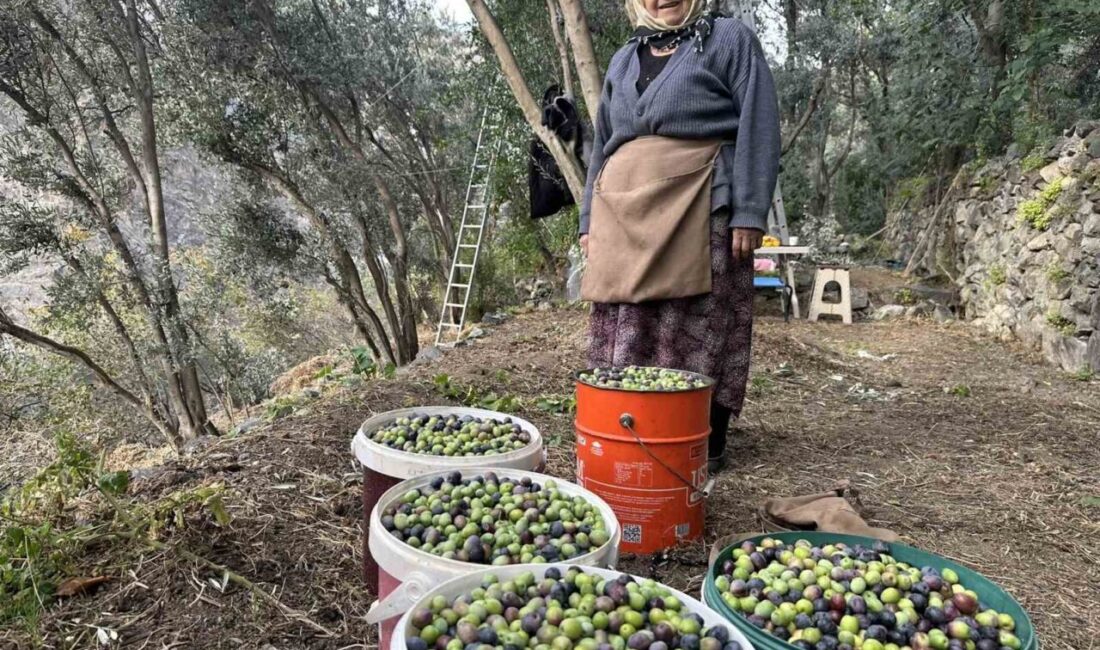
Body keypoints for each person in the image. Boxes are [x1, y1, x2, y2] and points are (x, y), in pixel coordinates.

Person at [579, 0, 781, 473]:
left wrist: (749, 211)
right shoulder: (624, 58)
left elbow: (759, 123)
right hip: (623, 213)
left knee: (694, 322)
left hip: (702, 202)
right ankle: (632, 431)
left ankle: (694, 441)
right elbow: (603, 142)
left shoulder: (729, 40)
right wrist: (589, 219)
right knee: (628, 318)